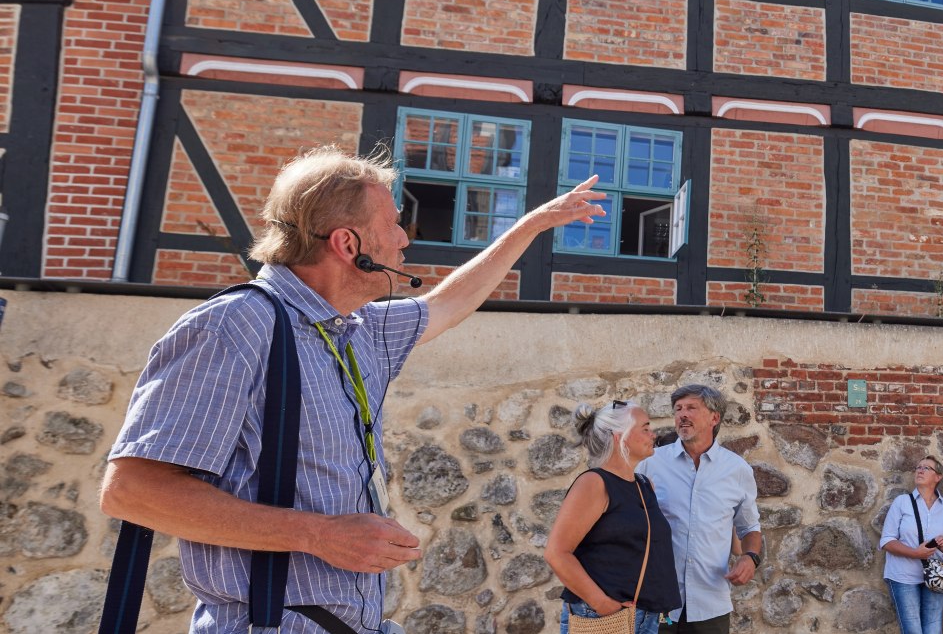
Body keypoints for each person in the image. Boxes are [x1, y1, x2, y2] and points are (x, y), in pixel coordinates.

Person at [99, 147, 606, 632]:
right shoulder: (233, 326)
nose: (405, 239)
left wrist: (534, 223)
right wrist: (320, 536)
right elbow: (132, 492)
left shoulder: (359, 330)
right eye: (392, 225)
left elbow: (451, 303)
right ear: (348, 245)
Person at [636, 385, 764, 634]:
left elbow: (749, 527)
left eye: (691, 408)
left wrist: (750, 557)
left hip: (710, 604)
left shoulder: (737, 470)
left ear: (714, 418)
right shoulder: (650, 464)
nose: (682, 414)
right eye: (678, 409)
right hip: (660, 605)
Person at [547, 402, 682, 633]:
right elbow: (557, 553)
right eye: (645, 428)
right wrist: (602, 604)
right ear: (621, 437)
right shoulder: (594, 483)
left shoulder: (643, 485)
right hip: (605, 617)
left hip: (644, 615)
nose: (654, 434)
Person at [879, 456, 943, 634]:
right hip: (903, 576)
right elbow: (886, 540)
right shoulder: (902, 502)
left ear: (938, 477)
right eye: (918, 467)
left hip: (936, 577)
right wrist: (915, 553)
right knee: (913, 630)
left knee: (933, 630)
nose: (920, 470)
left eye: (926, 468)